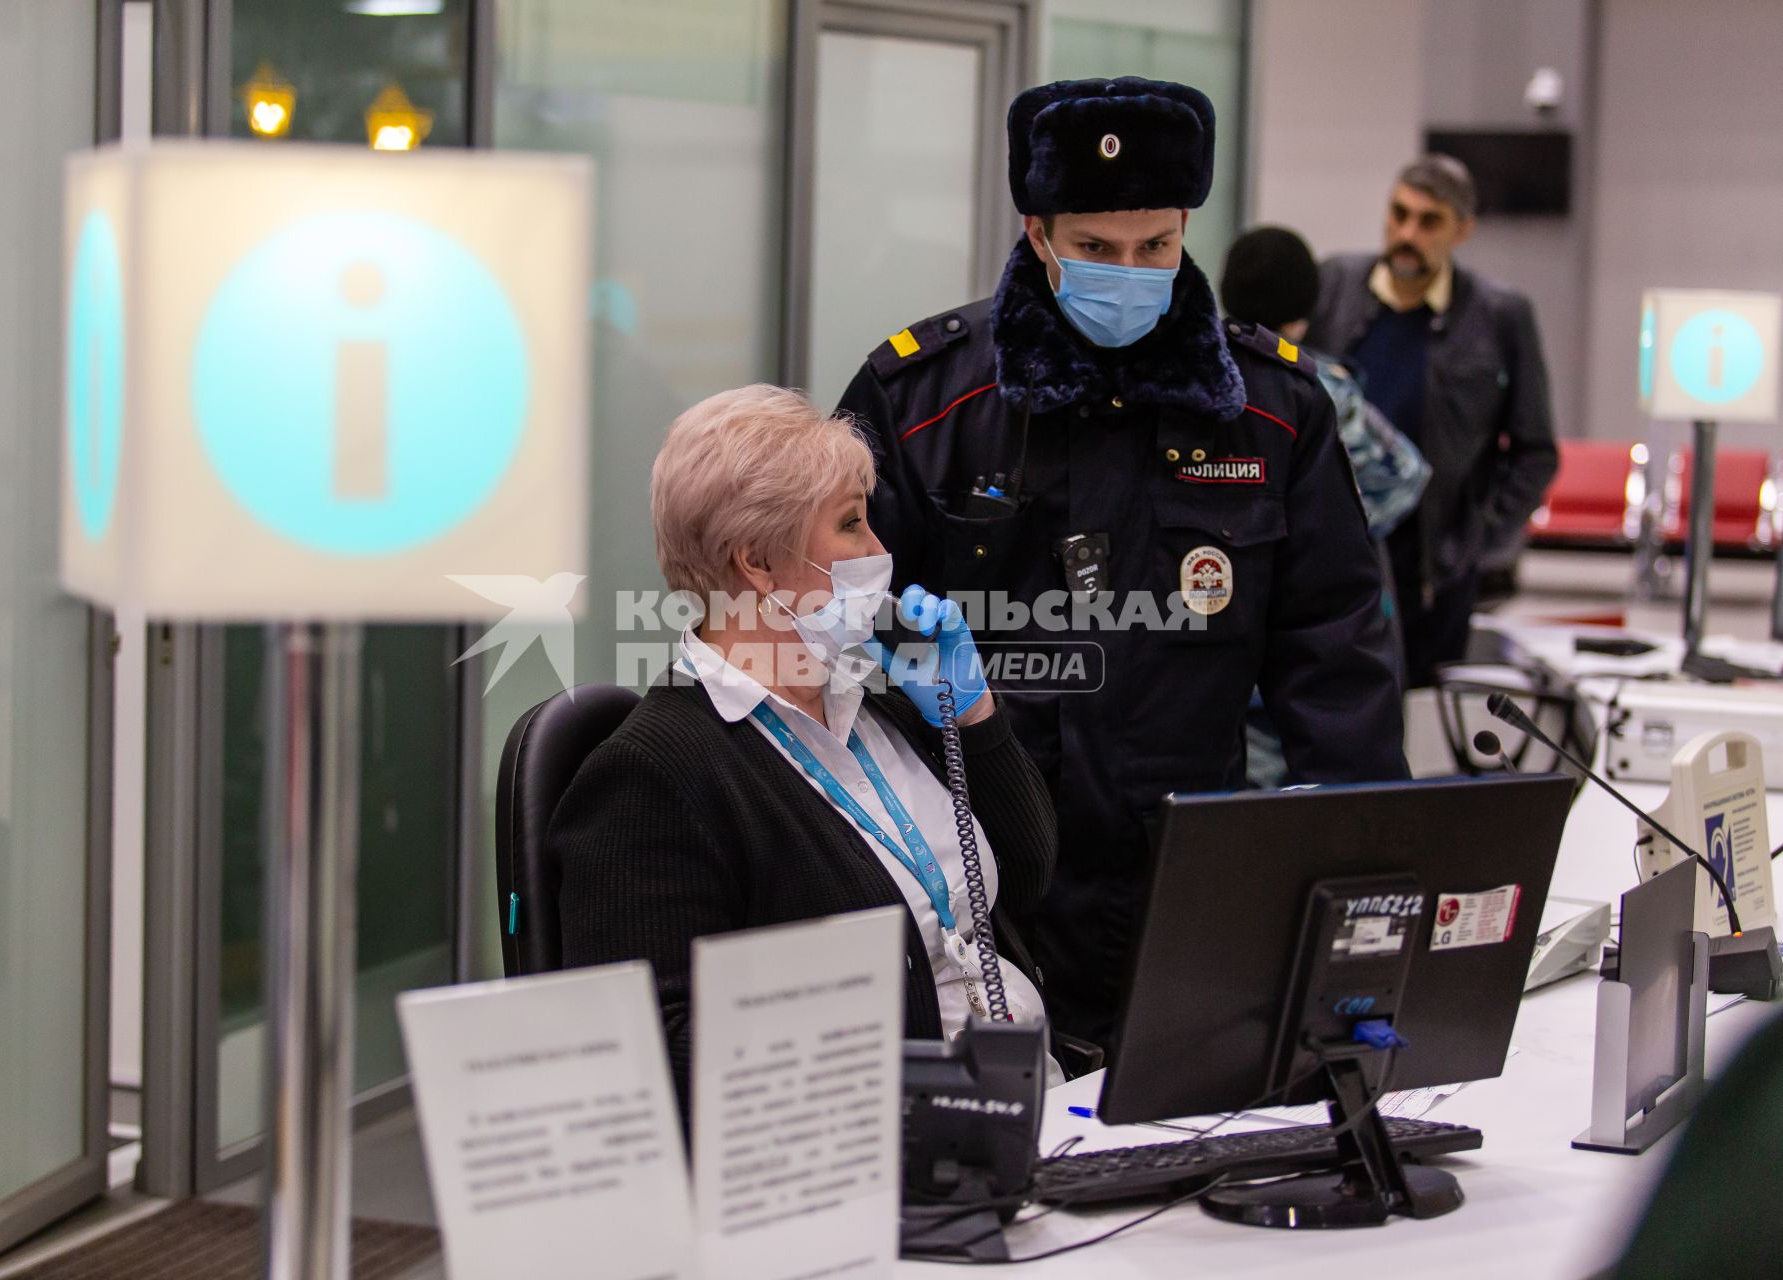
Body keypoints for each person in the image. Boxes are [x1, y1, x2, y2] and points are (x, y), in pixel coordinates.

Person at [836, 78, 1406, 1048]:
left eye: (1156, 247)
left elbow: (1338, 669)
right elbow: (839, 632)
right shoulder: (927, 398)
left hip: (1190, 884)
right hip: (978, 889)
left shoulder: (1270, 411)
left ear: (1188, 226)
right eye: (1097, 249)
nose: (1129, 271)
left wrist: (1366, 912)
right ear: (1039, 230)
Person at [550, 384, 1061, 1119]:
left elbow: (1030, 872)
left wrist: (971, 713)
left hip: (1028, 1114)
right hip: (882, 1164)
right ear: (757, 563)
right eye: (851, 526)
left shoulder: (876, 702)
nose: (881, 552)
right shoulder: (654, 776)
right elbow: (651, 1054)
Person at [1308, 155, 1559, 687]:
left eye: (1428, 222)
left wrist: (1480, 544)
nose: (1406, 233)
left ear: (1462, 230)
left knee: (1413, 736)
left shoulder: (1498, 315)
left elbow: (1536, 450)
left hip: (1432, 574)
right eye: (1399, 214)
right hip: (1330, 555)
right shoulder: (1335, 286)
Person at [1220, 224, 1431, 710]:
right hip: (1315, 637)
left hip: (1215, 637)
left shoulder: (1196, 384)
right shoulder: (1317, 390)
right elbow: (1407, 475)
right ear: (1304, 311)